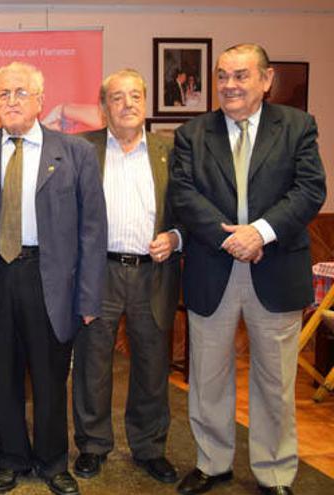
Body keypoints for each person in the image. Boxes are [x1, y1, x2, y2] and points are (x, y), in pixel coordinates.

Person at [169, 43, 326, 495]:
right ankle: (212, 463)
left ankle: (274, 472)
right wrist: (231, 239)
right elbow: (183, 194)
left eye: (240, 75)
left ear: (266, 79)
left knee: (275, 382)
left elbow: (311, 189)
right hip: (212, 267)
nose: (229, 85)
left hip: (274, 265)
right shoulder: (193, 133)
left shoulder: (297, 126)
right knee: (207, 378)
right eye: (222, 76)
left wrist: (259, 233)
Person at [0, 61, 106, 495]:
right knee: (2, 377)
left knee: (49, 378)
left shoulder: (75, 152)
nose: (11, 101)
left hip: (52, 281)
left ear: (41, 100)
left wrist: (87, 300)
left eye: (21, 92)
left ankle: (52, 461)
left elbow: (92, 229)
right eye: (3, 94)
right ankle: (11, 458)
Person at [71, 69, 181, 485]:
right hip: (98, 273)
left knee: (153, 365)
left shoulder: (169, 151)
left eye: (135, 95)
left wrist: (175, 236)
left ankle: (150, 448)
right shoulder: (83, 149)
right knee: (92, 365)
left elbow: (185, 212)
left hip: (154, 274)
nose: (128, 104)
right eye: (118, 97)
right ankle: (93, 446)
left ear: (146, 102)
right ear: (104, 107)